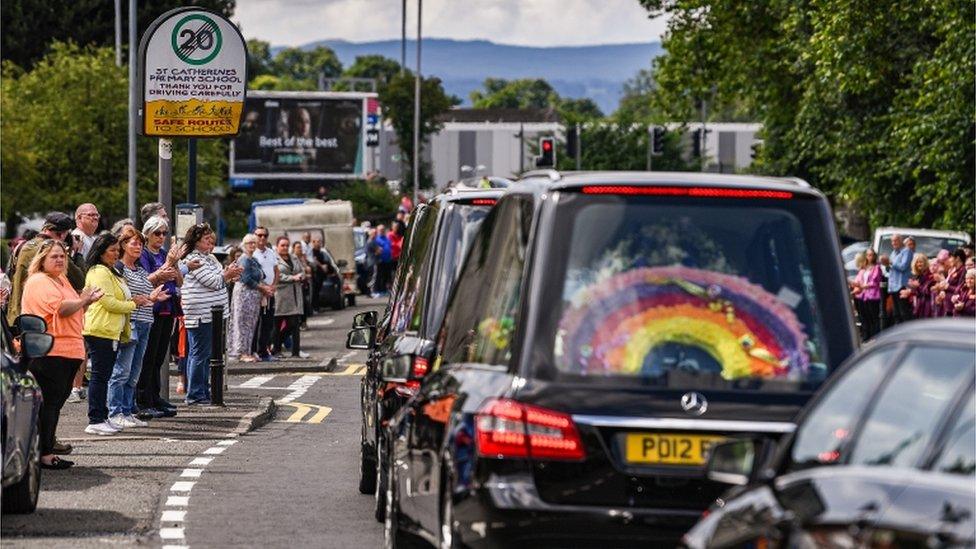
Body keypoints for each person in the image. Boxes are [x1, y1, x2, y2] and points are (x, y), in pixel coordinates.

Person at [22, 239, 103, 467]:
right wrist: (83, 299)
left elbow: (74, 309)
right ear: (42, 260)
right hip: (50, 351)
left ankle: (46, 449)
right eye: (54, 256)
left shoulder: (61, 279)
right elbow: (62, 308)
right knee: (48, 404)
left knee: (54, 404)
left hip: (68, 350)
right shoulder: (39, 281)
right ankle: (44, 454)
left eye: (62, 256)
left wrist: (86, 301)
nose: (59, 260)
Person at [83, 233, 153, 435]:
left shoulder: (111, 271)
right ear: (101, 251)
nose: (116, 254)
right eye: (112, 250)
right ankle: (96, 418)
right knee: (100, 376)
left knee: (104, 375)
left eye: (117, 250)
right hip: (100, 329)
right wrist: (134, 303)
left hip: (111, 330)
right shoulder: (99, 271)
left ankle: (102, 416)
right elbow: (109, 302)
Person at [109, 227, 168, 428]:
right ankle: (115, 411)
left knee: (134, 372)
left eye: (140, 244)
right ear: (123, 245)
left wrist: (152, 297)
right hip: (130, 322)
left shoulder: (141, 270)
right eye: (134, 243)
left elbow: (145, 293)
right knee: (121, 370)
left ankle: (127, 410)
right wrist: (144, 298)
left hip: (145, 322)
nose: (138, 247)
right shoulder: (118, 268)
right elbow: (121, 295)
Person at [180, 223, 241, 405]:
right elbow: (213, 281)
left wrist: (229, 275)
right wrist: (226, 275)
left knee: (205, 355)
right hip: (201, 313)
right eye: (207, 240)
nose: (210, 244)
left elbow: (219, 280)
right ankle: (195, 394)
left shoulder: (209, 258)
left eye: (211, 240)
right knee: (200, 354)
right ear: (196, 241)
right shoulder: (193, 259)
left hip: (211, 313)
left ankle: (203, 391)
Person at [137, 216, 183, 417]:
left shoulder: (165, 254)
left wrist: (175, 263)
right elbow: (146, 281)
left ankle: (155, 397)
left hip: (168, 307)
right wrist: (168, 264)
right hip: (152, 309)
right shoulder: (145, 255)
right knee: (148, 356)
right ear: (147, 234)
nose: (161, 237)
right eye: (157, 233)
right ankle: (143, 398)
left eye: (164, 233)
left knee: (159, 357)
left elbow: (179, 280)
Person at [8, 212, 85, 324]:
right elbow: (79, 281)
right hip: (38, 320)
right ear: (62, 234)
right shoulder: (52, 250)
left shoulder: (22, 246)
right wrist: (77, 253)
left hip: (16, 314)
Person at [228, 234, 270, 362]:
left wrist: (264, 287)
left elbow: (262, 274)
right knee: (242, 323)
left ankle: (247, 351)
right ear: (244, 245)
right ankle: (240, 352)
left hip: (253, 296)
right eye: (249, 243)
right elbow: (246, 278)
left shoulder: (253, 259)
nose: (252, 245)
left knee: (250, 324)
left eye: (253, 243)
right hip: (244, 295)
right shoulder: (244, 259)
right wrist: (262, 288)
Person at [272, 237, 308, 359]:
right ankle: (276, 349)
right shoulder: (274, 259)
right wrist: (291, 278)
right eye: (282, 245)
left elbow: (302, 270)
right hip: (281, 295)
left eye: (287, 245)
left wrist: (301, 276)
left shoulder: (294, 257)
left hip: (295, 294)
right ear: (277, 246)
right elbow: (276, 274)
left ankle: (296, 352)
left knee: (294, 324)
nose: (285, 248)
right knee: (278, 324)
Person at [251, 226, 279, 362]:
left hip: (269, 293)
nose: (262, 238)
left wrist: (273, 286)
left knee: (268, 324)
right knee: (256, 323)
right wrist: (263, 288)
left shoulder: (271, 252)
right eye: (259, 235)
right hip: (257, 293)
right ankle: (254, 350)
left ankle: (264, 350)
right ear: (254, 236)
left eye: (265, 235)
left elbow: (276, 270)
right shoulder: (252, 254)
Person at [851, 250, 882, 340]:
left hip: (873, 295)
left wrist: (863, 286)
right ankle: (867, 335)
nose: (870, 257)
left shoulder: (876, 267)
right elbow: (860, 281)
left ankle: (875, 335)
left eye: (871, 255)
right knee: (866, 317)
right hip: (865, 295)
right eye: (868, 255)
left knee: (874, 317)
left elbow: (875, 282)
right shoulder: (864, 269)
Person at [886, 234, 913, 325]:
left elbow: (903, 267)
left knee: (904, 313)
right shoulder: (893, 253)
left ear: (901, 240)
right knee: (896, 314)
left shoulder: (907, 251)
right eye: (892, 241)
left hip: (901, 285)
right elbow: (890, 269)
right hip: (893, 286)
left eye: (896, 240)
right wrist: (886, 265)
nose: (893, 243)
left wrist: (890, 262)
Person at [901, 253, 935, 319]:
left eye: (921, 262)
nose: (919, 264)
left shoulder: (930, 276)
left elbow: (927, 291)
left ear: (925, 263)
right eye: (917, 262)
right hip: (918, 306)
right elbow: (917, 291)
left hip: (927, 306)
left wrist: (914, 288)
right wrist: (909, 292)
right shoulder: (918, 276)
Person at [936, 248, 968, 317]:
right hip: (946, 305)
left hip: (953, 306)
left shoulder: (963, 270)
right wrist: (943, 290)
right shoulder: (954, 270)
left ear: (958, 258)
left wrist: (948, 287)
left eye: (951, 257)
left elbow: (960, 289)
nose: (950, 260)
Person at [292, 240, 313, 327]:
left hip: (304, 284)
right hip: (295, 284)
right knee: (297, 304)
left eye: (301, 247)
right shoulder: (292, 258)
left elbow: (307, 269)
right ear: (293, 249)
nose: (300, 249)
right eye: (298, 247)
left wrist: (307, 271)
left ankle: (304, 321)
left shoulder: (303, 258)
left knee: (304, 303)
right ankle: (298, 322)